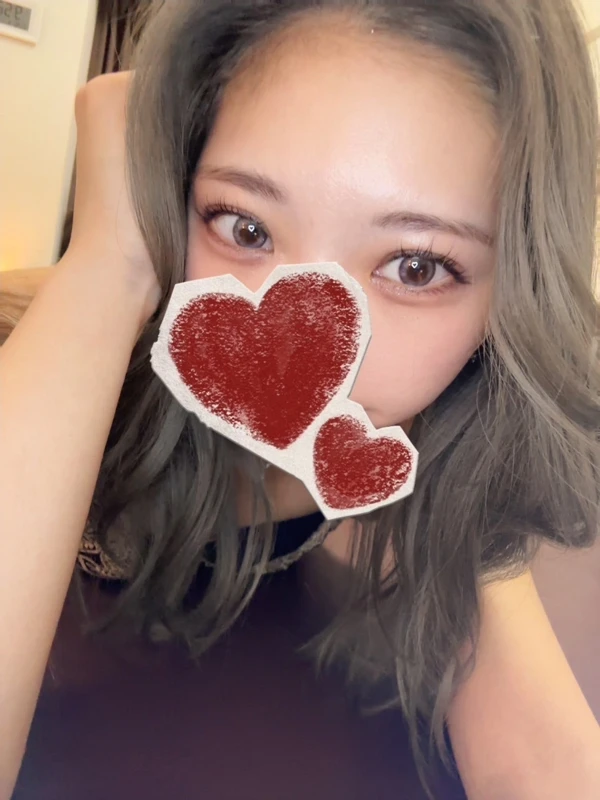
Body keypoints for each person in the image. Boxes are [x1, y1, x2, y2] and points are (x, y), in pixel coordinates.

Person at [1, 1, 599, 798]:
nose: (314, 350)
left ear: (510, 300)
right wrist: (109, 264)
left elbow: (549, 772)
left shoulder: (428, 462)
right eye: (245, 227)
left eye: (416, 267)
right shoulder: (46, 375)